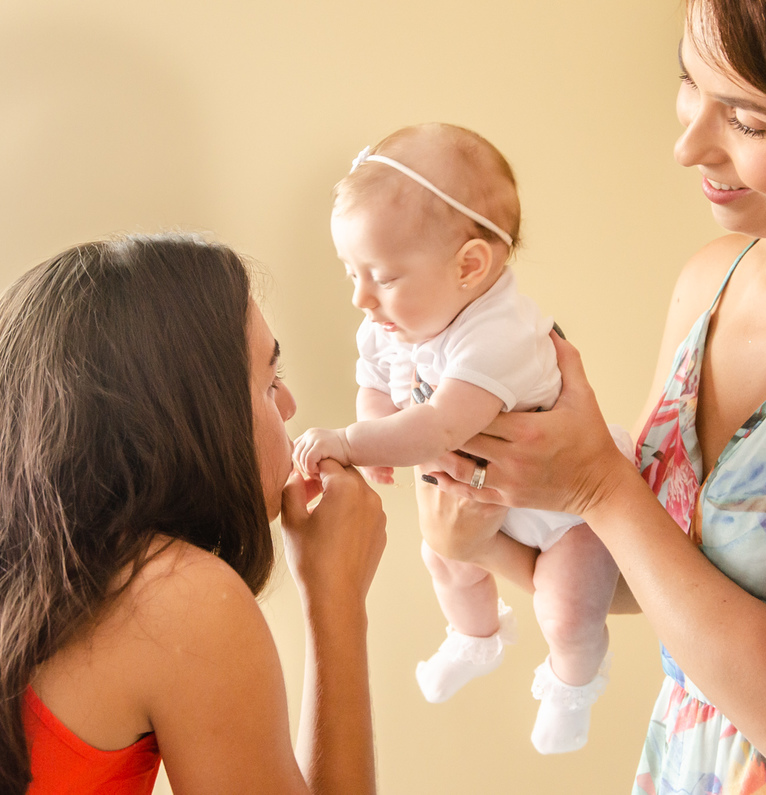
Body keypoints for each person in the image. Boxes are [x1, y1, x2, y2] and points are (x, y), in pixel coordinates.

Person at [424, 0, 766, 791]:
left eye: (747, 121)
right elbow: (661, 573)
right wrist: (484, 529)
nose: (687, 145)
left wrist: (597, 484)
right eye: (689, 82)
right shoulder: (712, 279)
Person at [0, 234, 387, 794]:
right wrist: (335, 600)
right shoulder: (172, 595)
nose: (290, 405)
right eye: (268, 382)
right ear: (185, 417)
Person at [293, 123, 634, 754]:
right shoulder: (394, 323)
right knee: (445, 560)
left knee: (567, 611)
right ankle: (475, 640)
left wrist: (351, 442)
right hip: (490, 502)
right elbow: (375, 383)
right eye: (351, 273)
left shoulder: (498, 334)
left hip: (571, 512)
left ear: (470, 267)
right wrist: (373, 424)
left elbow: (440, 427)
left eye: (383, 277)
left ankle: (572, 685)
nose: (362, 298)